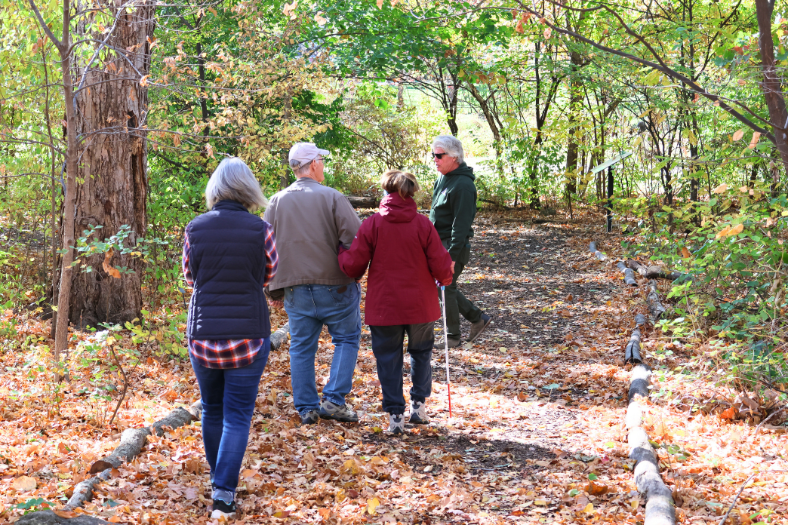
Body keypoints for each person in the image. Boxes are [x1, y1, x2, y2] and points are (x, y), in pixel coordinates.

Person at [183, 157, 278, 519]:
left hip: (204, 334)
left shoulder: (195, 227)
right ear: (248, 188)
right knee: (237, 416)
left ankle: (219, 480)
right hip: (249, 335)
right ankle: (224, 492)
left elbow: (190, 278)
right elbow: (269, 275)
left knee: (212, 408)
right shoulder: (260, 230)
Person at [338, 170, 454, 433]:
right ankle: (418, 406)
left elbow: (354, 265)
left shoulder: (373, 224)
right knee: (421, 354)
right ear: (412, 193)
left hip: (385, 307)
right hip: (420, 305)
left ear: (386, 191)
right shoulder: (423, 224)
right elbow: (441, 264)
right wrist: (446, 276)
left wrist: (341, 253)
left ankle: (395, 416)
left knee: (388, 358)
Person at [264, 143, 363, 425]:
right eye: (321, 159)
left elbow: (267, 248)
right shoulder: (333, 197)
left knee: (301, 347)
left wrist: (273, 289)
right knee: (346, 339)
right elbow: (355, 238)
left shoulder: (276, 201)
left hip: (295, 288)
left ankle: (306, 407)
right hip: (336, 285)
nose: (323, 164)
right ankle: (333, 400)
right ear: (313, 164)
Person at [430, 135, 491, 348]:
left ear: (454, 157)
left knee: (445, 287)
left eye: (439, 155)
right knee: (443, 287)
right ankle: (477, 318)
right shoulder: (442, 178)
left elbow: (461, 225)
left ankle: (452, 337)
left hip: (452, 245)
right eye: (433, 155)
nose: (435, 160)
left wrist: (452, 256)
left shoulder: (464, 185)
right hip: (437, 244)